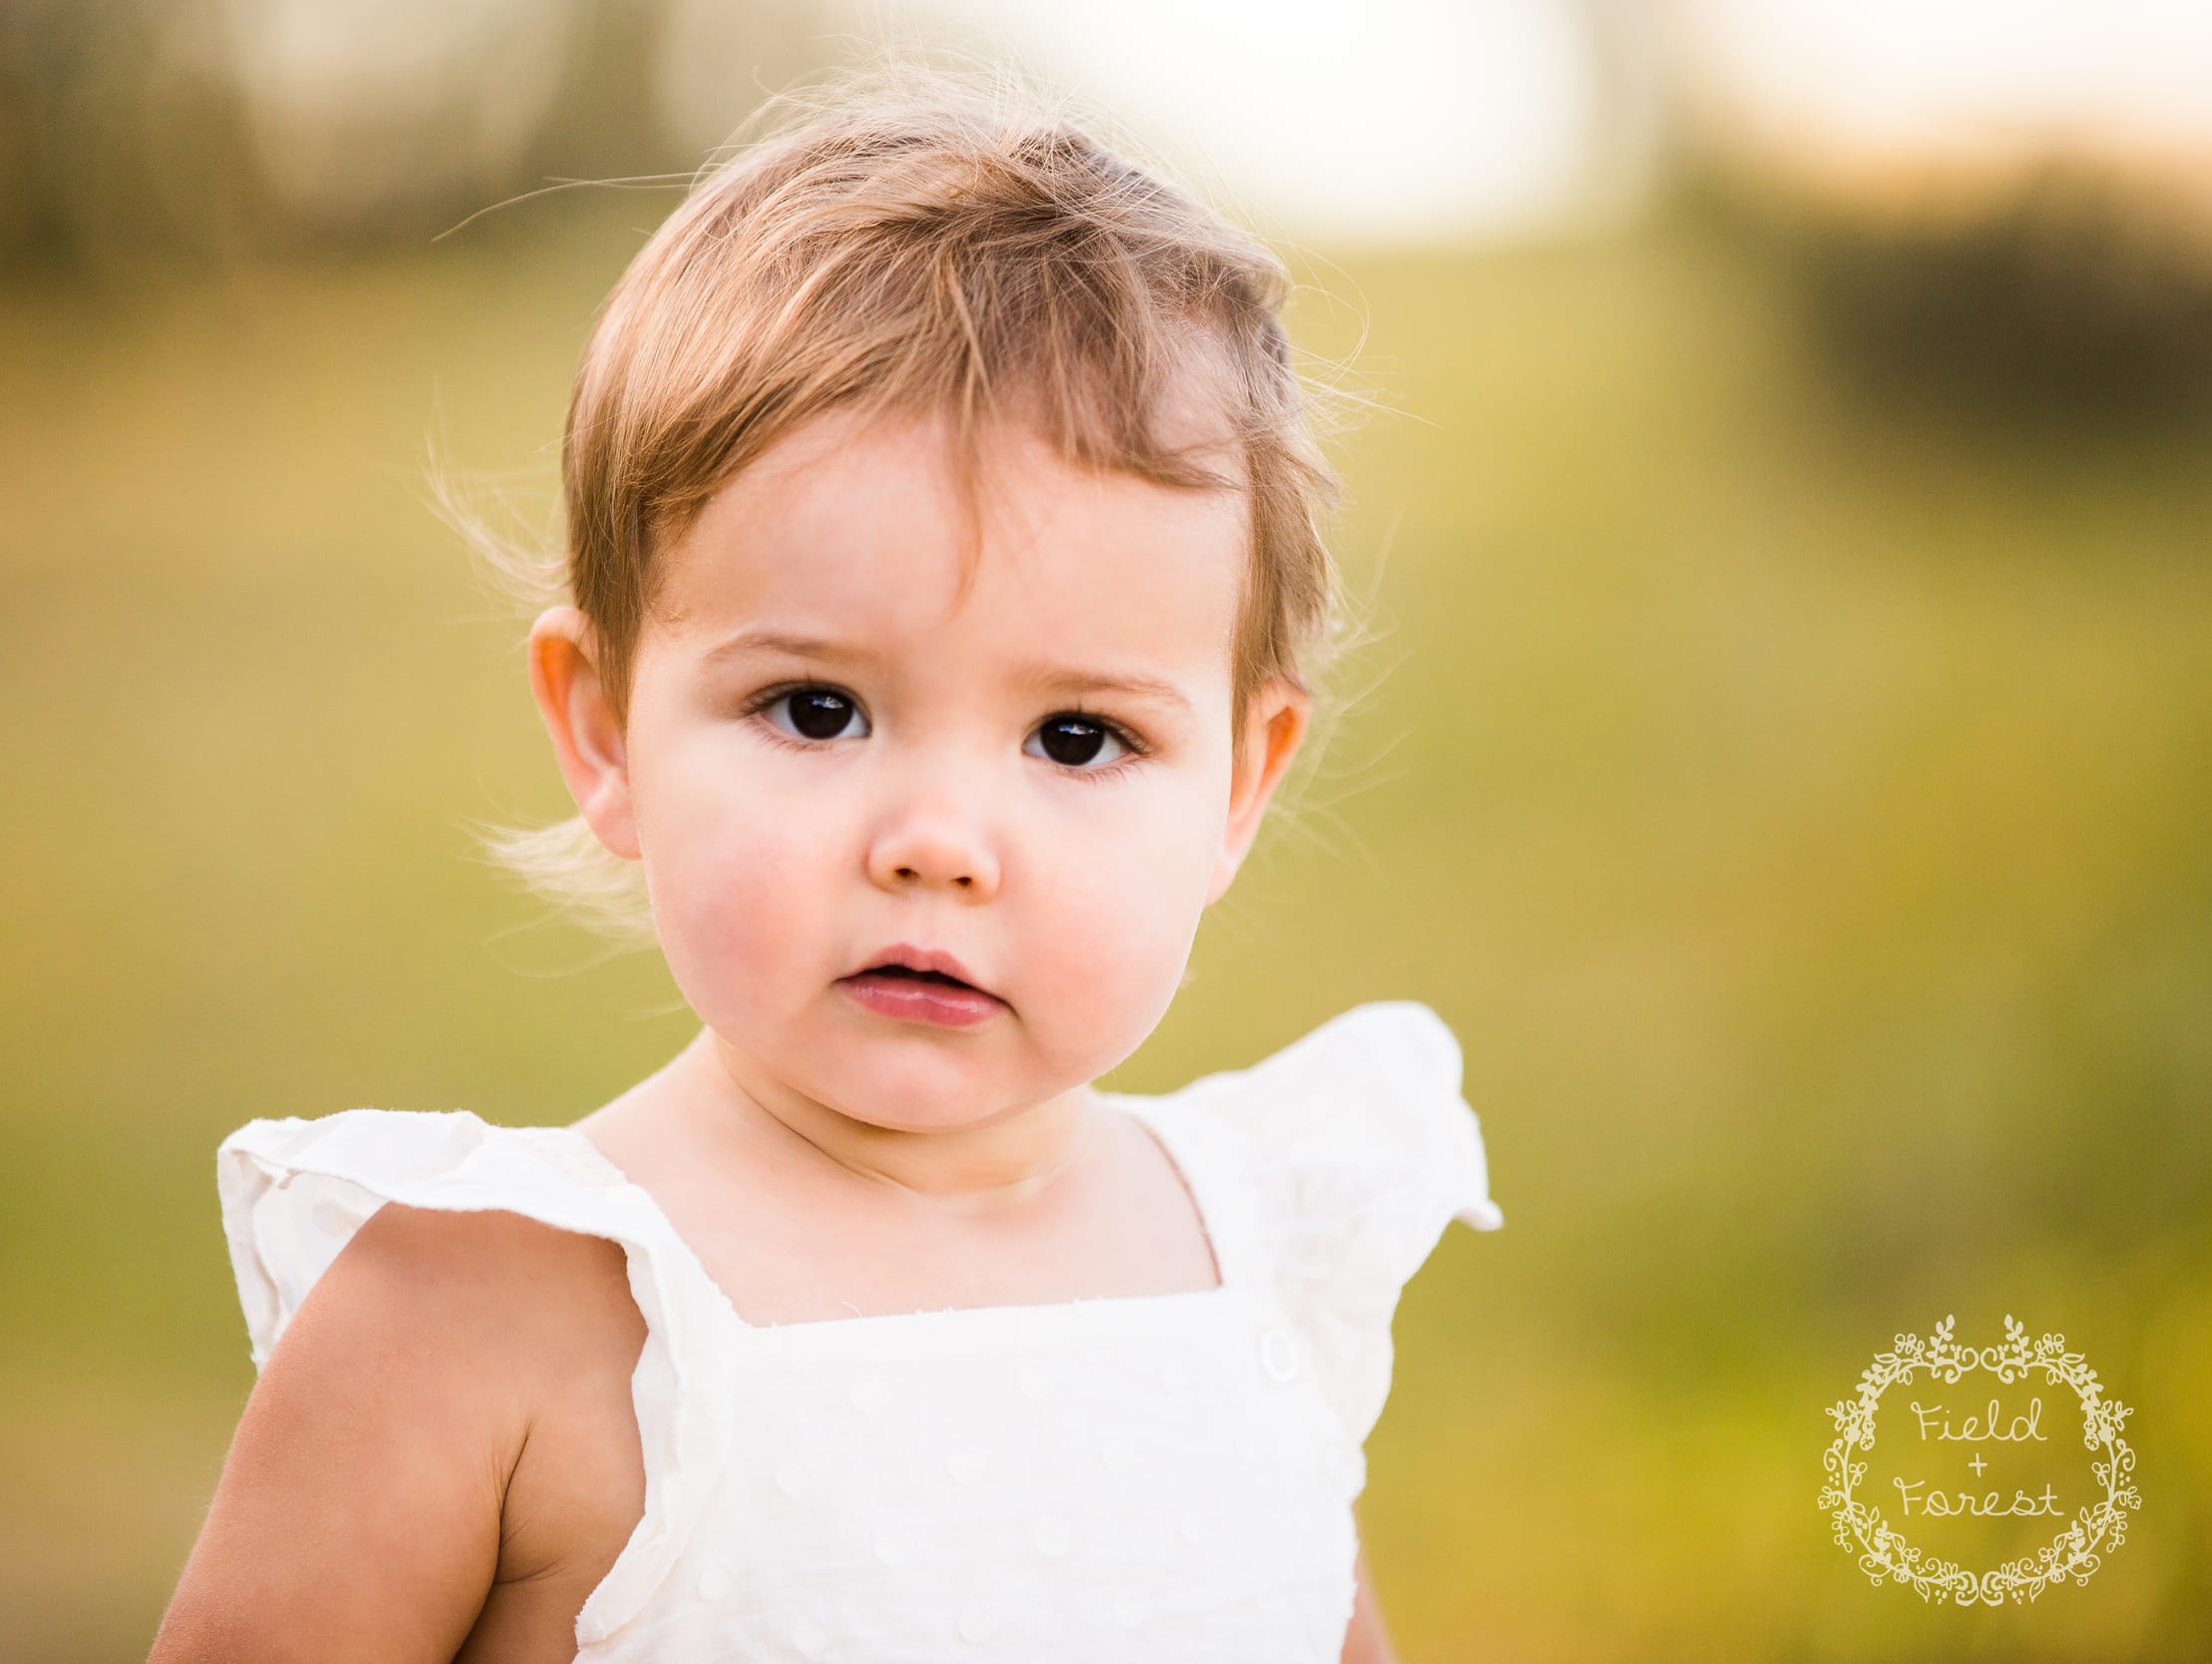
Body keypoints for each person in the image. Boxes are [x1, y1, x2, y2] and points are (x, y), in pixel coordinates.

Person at [151, 57, 1503, 1664]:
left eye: (1077, 739)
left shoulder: (1254, 1257)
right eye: (817, 708)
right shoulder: (484, 1314)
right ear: (605, 731)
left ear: (1236, 789)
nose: (936, 845)